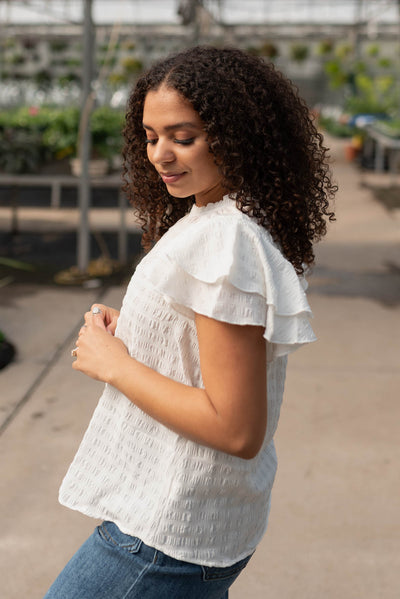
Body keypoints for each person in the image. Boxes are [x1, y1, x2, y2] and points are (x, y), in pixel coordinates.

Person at [44, 46, 336, 598]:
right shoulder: (221, 212)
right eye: (152, 137)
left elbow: (236, 428)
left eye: (184, 137)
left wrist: (117, 366)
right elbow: (207, 341)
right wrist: (137, 328)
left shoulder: (225, 238)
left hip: (164, 533)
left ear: (237, 134)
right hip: (191, 521)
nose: (161, 155)